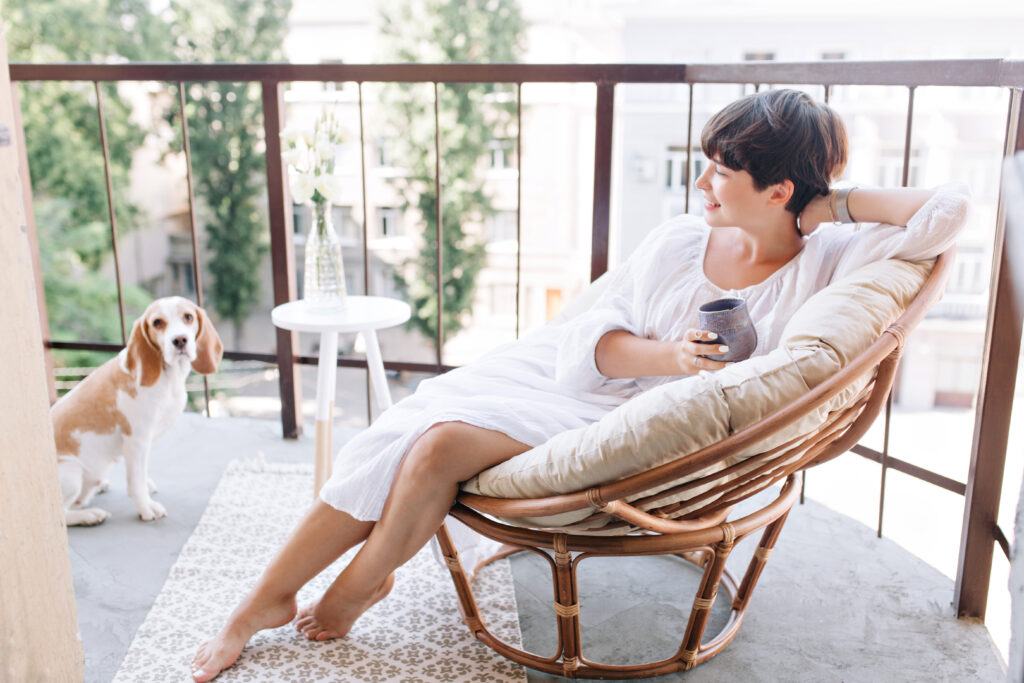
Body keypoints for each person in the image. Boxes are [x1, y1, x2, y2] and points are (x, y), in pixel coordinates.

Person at [190, 88, 971, 681]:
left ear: (777, 191)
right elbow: (597, 336)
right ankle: (267, 596)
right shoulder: (680, 241)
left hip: (643, 420)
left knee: (436, 447)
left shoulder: (830, 259)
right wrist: (673, 355)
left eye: (722, 170)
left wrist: (828, 204)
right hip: (585, 374)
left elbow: (947, 212)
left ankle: (357, 585)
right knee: (402, 429)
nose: (702, 180)